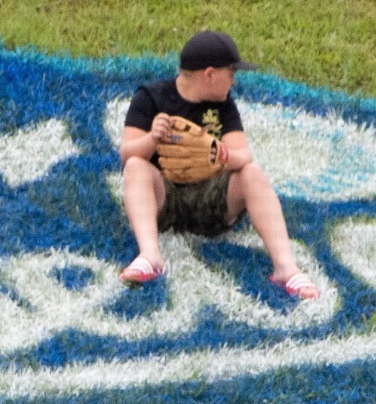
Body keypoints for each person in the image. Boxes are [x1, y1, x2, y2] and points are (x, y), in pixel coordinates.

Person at [118, 30, 321, 299]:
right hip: (165, 198)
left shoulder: (223, 105)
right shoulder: (151, 97)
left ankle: (286, 268)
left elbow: (243, 156)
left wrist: (218, 154)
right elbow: (127, 154)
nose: (233, 81)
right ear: (209, 74)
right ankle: (150, 255)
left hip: (210, 200)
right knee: (136, 166)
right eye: (231, 73)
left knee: (251, 173)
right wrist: (152, 138)